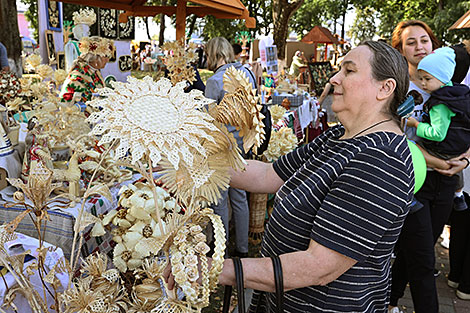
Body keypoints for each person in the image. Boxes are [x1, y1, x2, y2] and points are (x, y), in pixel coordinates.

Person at [166, 40, 414, 311]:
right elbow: (268, 175)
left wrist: (216, 269)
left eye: (349, 71)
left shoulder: (380, 160)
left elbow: (318, 266)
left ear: (384, 88)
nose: (334, 78)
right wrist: (187, 163)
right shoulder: (339, 135)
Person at [389, 20, 470, 313]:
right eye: (411, 42)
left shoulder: (453, 85)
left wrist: (466, 159)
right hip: (413, 180)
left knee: (415, 250)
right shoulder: (395, 87)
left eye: (425, 40)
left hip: (446, 182)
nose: (420, 46)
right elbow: (395, 136)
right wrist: (437, 160)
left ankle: (390, 300)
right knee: (424, 260)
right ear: (400, 49)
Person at [204, 37, 257, 258]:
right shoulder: (248, 75)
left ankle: (221, 253)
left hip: (221, 145)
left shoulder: (215, 81)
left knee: (220, 201)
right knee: (240, 197)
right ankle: (242, 248)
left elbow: (205, 119)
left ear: (214, 54)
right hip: (244, 142)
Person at [406, 47, 470, 163]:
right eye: (421, 78)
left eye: (427, 79)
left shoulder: (440, 103)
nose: (423, 83)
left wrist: (416, 124)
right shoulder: (457, 93)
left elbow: (437, 134)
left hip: (443, 152)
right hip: (458, 149)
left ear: (443, 76)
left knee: (410, 145)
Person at [59, 36, 114, 104]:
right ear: (95, 58)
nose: (107, 60)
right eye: (105, 56)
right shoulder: (77, 76)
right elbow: (68, 106)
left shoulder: (95, 72)